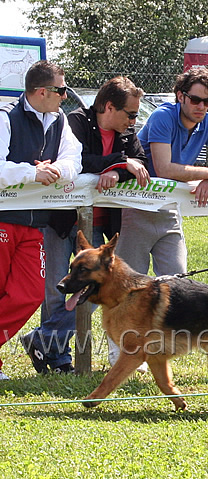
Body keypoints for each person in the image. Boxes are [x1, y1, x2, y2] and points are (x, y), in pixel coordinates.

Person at [20, 76, 150, 375]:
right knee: (57, 290)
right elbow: (77, 162)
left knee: (90, 290)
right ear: (108, 106)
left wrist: (118, 172)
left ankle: (41, 341)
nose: (133, 121)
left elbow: (140, 162)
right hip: (63, 219)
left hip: (99, 224)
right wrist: (119, 162)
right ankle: (58, 357)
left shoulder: (127, 133)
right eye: (130, 114)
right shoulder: (76, 121)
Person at [113, 67, 208, 360]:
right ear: (180, 96)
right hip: (138, 208)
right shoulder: (162, 117)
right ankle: (119, 353)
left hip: (169, 211)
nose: (202, 107)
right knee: (129, 290)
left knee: (177, 283)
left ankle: (159, 350)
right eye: (196, 100)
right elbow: (164, 167)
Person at [0, 60, 82, 379]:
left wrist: (58, 170)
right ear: (42, 91)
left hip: (36, 225)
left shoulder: (59, 119)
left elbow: (73, 159)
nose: (65, 96)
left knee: (31, 294)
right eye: (61, 90)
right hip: (4, 218)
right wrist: (32, 172)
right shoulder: (6, 117)